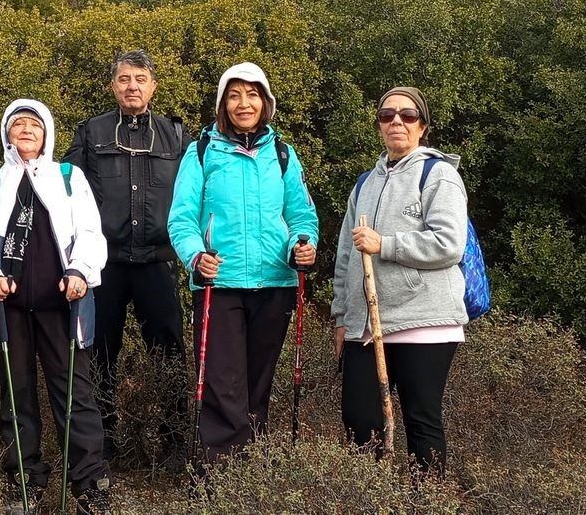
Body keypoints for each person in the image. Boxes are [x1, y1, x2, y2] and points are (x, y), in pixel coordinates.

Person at [0, 99, 113, 515]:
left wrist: (80, 271)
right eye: (18, 124)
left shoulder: (69, 178)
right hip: (5, 307)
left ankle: (88, 482)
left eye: (34, 124)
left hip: (63, 305)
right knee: (16, 394)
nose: (26, 130)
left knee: (74, 396)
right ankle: (23, 478)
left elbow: (89, 232)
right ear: (6, 134)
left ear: (47, 134)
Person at [167, 62, 318, 468]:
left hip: (275, 283)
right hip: (221, 282)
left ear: (265, 102)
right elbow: (181, 217)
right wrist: (196, 258)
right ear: (222, 104)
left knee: (257, 382)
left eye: (252, 94)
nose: (243, 103)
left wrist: (301, 247)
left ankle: (251, 473)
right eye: (234, 95)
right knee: (221, 382)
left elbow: (302, 216)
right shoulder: (201, 152)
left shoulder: (284, 154)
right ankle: (220, 477)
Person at [331, 86, 468, 475]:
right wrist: (342, 316)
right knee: (359, 422)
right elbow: (345, 256)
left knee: (420, 421)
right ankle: (373, 498)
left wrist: (384, 244)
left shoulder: (439, 175)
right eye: (387, 115)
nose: (396, 122)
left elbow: (448, 244)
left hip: (425, 322)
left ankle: (425, 502)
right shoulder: (364, 184)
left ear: (422, 126)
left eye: (407, 116)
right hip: (366, 326)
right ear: (378, 125)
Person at [63, 50, 190, 462]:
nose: (132, 86)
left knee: (169, 351)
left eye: (140, 78)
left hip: (158, 261)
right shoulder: (91, 132)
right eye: (123, 79)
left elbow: (197, 196)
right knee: (99, 351)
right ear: (112, 85)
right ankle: (103, 442)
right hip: (106, 263)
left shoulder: (177, 136)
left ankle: (173, 441)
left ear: (153, 85)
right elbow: (66, 193)